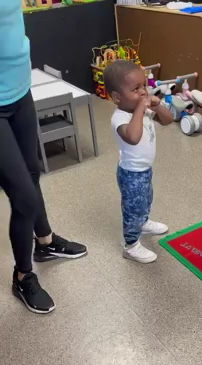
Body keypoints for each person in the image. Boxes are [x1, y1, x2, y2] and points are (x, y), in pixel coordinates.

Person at [0, 0, 87, 314]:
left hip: (20, 91)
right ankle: (22, 275)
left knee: (33, 173)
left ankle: (46, 243)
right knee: (22, 197)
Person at [103, 60, 173, 264]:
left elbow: (168, 120)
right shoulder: (120, 118)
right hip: (131, 174)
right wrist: (141, 108)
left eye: (144, 85)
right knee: (132, 209)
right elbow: (132, 137)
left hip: (144, 170)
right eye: (136, 89)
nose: (143, 92)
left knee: (146, 200)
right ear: (117, 97)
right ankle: (131, 245)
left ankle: (143, 222)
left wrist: (158, 105)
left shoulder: (140, 109)